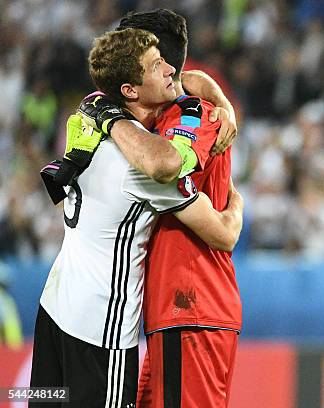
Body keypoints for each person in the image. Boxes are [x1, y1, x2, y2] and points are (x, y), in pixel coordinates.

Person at [30, 28, 243, 408]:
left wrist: (221, 101)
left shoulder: (87, 128)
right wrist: (236, 203)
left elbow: (187, 81)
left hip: (54, 310)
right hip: (100, 330)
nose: (170, 69)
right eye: (156, 65)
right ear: (130, 90)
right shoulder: (142, 169)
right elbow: (224, 233)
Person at [112, 9, 242, 407]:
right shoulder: (189, 106)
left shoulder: (187, 116)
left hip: (190, 304)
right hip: (177, 310)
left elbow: (168, 169)